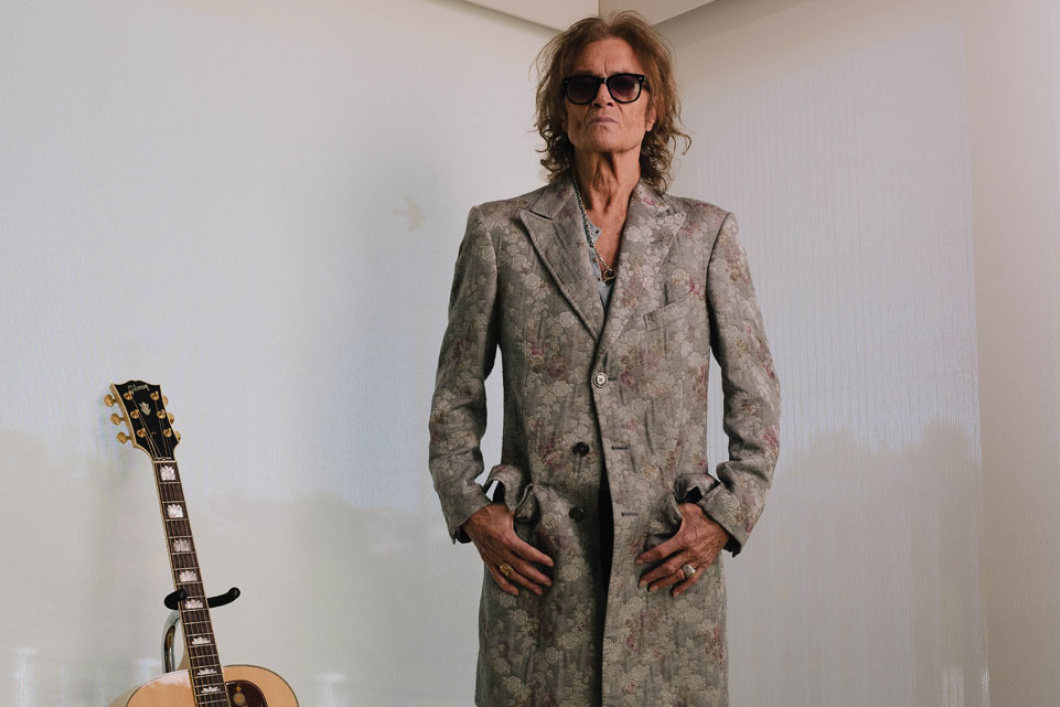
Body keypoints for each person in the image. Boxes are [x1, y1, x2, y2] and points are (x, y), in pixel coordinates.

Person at [428, 11, 780, 707]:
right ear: (562, 110)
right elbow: (455, 395)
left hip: (665, 564)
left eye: (624, 84)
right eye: (583, 86)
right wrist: (471, 510)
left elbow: (756, 396)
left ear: (653, 107)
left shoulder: (706, 235)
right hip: (540, 569)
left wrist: (726, 515)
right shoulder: (500, 232)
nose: (603, 100)